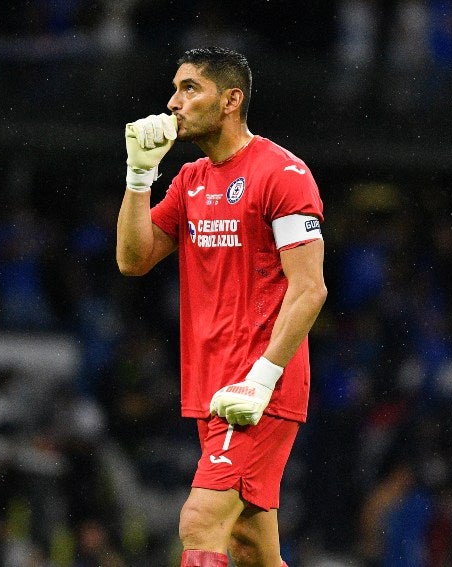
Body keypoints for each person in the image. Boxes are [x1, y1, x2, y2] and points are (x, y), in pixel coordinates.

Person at [116, 47, 327, 567]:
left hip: (259, 385)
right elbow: (133, 259)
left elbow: (310, 289)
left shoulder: (283, 173)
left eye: (190, 89)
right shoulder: (190, 181)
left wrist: (262, 378)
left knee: (200, 521)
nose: (173, 102)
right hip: (210, 387)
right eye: (175, 88)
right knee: (253, 548)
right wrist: (139, 178)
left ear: (231, 100)